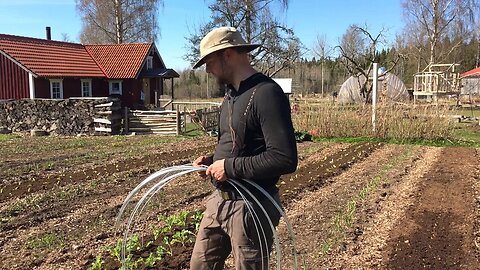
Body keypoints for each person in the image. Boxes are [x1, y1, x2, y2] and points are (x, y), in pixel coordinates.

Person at [190, 26, 298, 270]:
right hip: (220, 200)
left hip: (251, 206)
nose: (207, 69)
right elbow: (236, 145)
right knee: (200, 265)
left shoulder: (267, 93)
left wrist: (229, 166)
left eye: (208, 61)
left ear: (227, 54)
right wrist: (211, 161)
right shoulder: (230, 97)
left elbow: (284, 158)